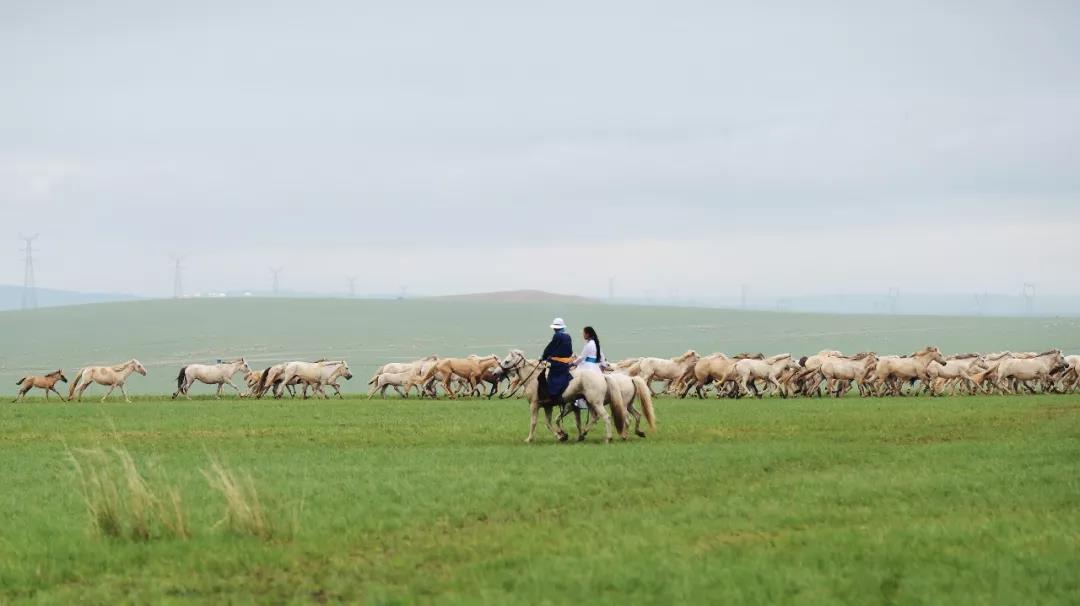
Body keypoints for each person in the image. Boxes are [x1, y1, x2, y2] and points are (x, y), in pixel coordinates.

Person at [538, 317, 573, 404]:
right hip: (566, 363)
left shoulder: (557, 336)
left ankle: (551, 398)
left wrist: (544, 357)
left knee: (550, 378)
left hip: (558, 364)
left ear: (555, 328)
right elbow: (569, 351)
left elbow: (550, 348)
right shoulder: (568, 336)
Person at [571, 326, 605, 409]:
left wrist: (573, 363)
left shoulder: (588, 345)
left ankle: (579, 403)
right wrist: (603, 365)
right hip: (595, 366)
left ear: (588, 334)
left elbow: (582, 357)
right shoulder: (596, 343)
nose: (583, 335)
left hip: (587, 366)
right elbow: (602, 356)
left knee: (575, 381)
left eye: (584, 333)